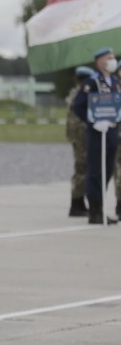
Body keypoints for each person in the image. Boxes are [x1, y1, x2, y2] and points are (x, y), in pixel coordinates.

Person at [72, 47, 120, 224]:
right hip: (97, 133)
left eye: (113, 57)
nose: (112, 60)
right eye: (109, 57)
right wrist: (92, 121)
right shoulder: (92, 82)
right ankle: (95, 211)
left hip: (112, 131)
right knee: (95, 172)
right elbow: (78, 106)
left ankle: (101, 209)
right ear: (99, 61)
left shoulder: (114, 81)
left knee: (107, 171)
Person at [66, 67, 95, 217]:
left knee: (81, 169)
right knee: (82, 169)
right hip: (81, 137)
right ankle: (77, 204)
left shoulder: (74, 92)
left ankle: (78, 202)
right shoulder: (81, 94)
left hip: (77, 137)